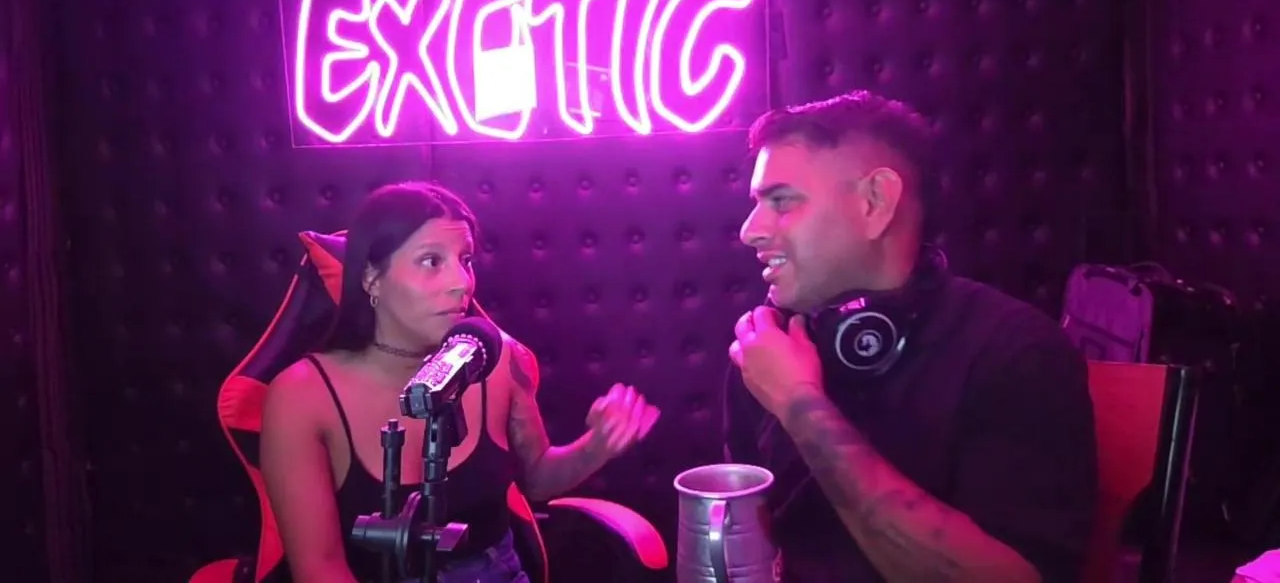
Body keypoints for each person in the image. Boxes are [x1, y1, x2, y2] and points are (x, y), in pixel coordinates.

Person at [723, 91, 1099, 583]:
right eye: (756, 204)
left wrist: (800, 406)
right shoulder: (769, 348)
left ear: (875, 203)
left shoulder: (1016, 353)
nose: (750, 230)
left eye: (781, 201)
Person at [260, 181, 661, 583]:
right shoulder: (302, 396)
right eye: (431, 261)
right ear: (371, 277)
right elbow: (320, 568)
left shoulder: (499, 359)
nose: (462, 283)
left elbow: (537, 479)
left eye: (465, 260)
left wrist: (595, 446)